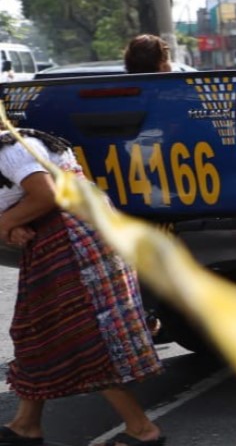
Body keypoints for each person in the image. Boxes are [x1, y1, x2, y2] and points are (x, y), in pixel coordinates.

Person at [0, 128, 166, 446]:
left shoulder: (12, 149)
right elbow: (31, 199)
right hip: (58, 238)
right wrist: (16, 222)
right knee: (36, 329)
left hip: (75, 241)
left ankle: (143, 431)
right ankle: (26, 425)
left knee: (86, 331)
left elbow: (47, 194)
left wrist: (7, 223)